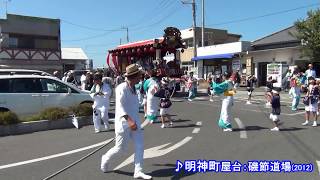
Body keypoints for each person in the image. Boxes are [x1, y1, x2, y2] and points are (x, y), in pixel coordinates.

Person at [100, 64, 152, 180]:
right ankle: (105, 158)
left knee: (140, 146)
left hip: (135, 122)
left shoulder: (135, 88)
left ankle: (138, 171)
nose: (140, 77)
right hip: (124, 123)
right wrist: (129, 121)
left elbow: (134, 106)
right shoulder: (121, 88)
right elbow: (120, 106)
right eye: (139, 75)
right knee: (120, 149)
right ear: (134, 76)